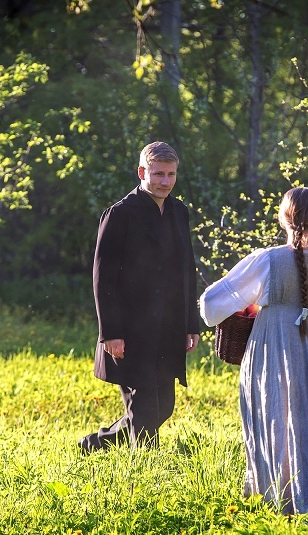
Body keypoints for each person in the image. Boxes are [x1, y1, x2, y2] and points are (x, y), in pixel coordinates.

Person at [199, 187, 308, 520]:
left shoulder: (267, 260)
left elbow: (210, 306)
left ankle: (279, 493)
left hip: (273, 352)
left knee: (277, 415)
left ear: (283, 218)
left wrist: (254, 303)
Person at [78, 142, 201, 451]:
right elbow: (102, 278)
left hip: (168, 328)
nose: (165, 181)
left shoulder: (179, 212)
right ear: (142, 172)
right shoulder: (120, 214)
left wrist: (191, 324)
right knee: (145, 408)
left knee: (163, 407)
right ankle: (146, 475)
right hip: (130, 331)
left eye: (171, 174)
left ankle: (96, 444)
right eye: (158, 174)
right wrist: (112, 333)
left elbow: (187, 270)